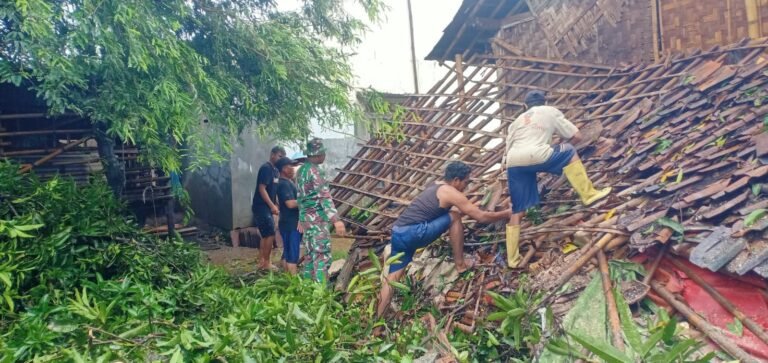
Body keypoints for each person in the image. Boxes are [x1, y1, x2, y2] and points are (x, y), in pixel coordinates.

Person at [376, 161, 511, 318]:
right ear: (456, 180)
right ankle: (460, 264)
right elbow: (480, 217)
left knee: (391, 279)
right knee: (454, 217)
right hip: (415, 233)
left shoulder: (435, 185)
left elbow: (442, 209)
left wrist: (474, 204)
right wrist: (506, 213)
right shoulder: (449, 191)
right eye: (465, 182)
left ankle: (377, 325)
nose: (466, 187)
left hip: (399, 232)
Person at [504, 91, 611, 268]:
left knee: (518, 211)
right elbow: (576, 135)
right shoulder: (549, 111)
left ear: (525, 107)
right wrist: (559, 150)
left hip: (513, 161)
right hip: (537, 154)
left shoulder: (516, 122)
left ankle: (512, 260)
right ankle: (588, 194)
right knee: (568, 149)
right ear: (545, 102)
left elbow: (509, 149)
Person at [296, 138, 345, 283]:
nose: (324, 156)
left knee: (310, 255)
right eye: (323, 153)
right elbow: (324, 197)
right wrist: (336, 220)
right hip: (317, 221)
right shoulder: (315, 171)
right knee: (321, 256)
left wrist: (301, 218)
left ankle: (306, 289)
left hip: (306, 221)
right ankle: (321, 292)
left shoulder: (301, 171)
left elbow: (300, 198)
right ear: (318, 155)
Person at [252, 145, 286, 270]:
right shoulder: (266, 168)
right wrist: (271, 206)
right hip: (261, 206)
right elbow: (262, 189)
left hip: (268, 207)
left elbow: (274, 190)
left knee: (266, 234)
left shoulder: (276, 171)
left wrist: (277, 204)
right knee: (270, 233)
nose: (281, 159)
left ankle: (262, 261)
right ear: (272, 154)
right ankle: (266, 263)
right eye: (279, 156)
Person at [275, 156, 302, 274]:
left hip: (288, 223)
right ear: (284, 169)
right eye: (291, 166)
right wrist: (308, 200)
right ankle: (294, 285)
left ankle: (287, 280)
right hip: (291, 224)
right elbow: (290, 204)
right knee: (292, 256)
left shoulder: (287, 183)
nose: (293, 169)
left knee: (287, 253)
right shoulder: (284, 184)